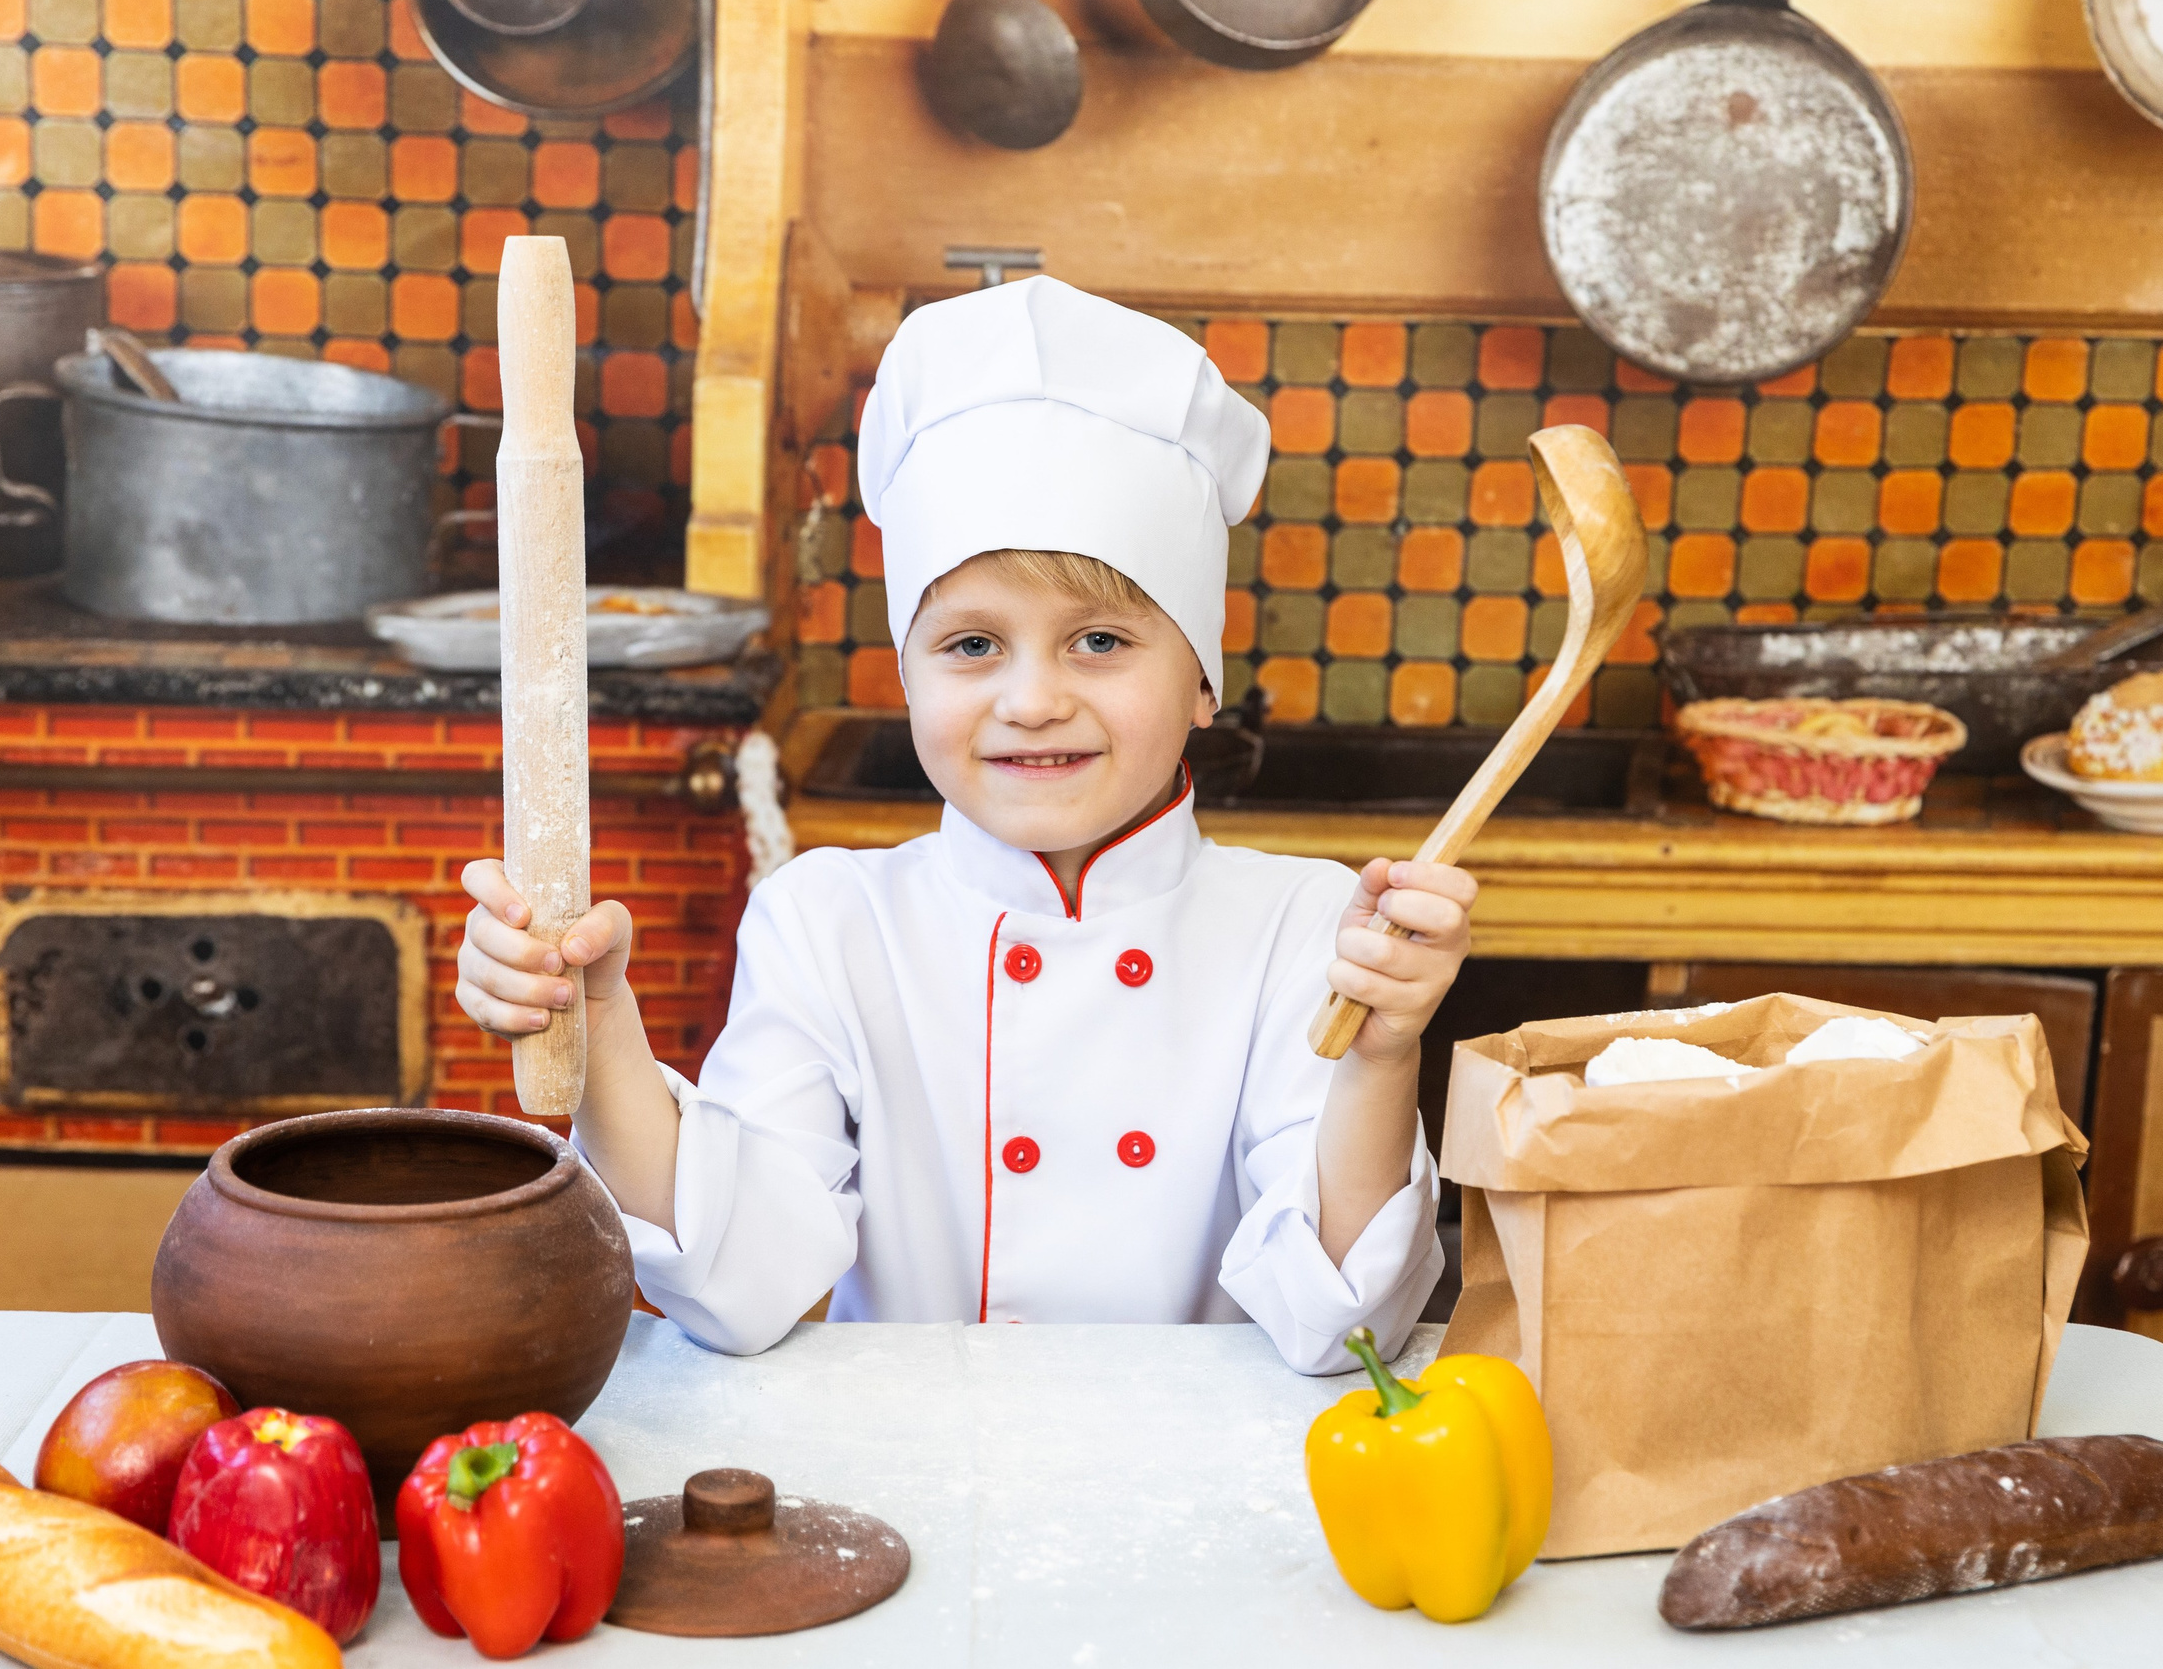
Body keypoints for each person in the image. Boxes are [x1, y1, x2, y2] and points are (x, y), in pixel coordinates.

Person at [454, 276, 1477, 1373]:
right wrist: (596, 1022)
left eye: (1099, 641)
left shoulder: (1302, 923)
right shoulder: (828, 921)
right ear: (908, 676)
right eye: (972, 645)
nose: (1031, 698)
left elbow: (1344, 1329)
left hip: (1198, 1497)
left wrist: (1379, 1060)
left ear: (1202, 682)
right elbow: (737, 1285)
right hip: (900, 1489)